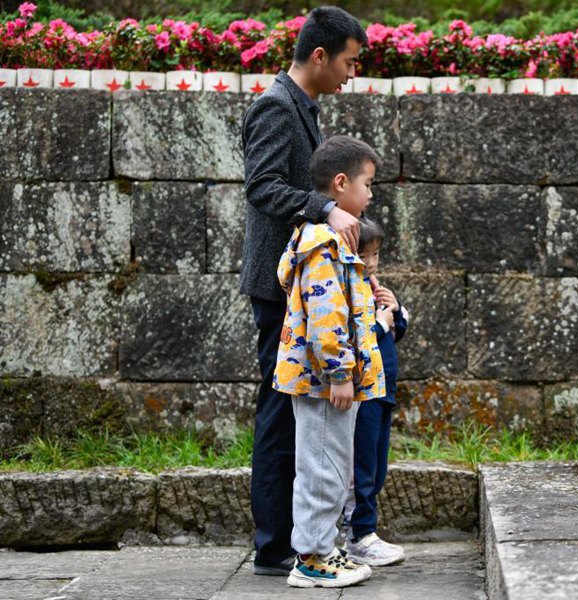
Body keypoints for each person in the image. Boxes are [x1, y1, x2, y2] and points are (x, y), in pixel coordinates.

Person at [239, 6, 366, 577]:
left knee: (293, 412)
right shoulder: (274, 106)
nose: (352, 73)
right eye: (349, 61)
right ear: (320, 56)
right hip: (280, 284)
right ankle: (274, 547)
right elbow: (262, 187)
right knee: (279, 412)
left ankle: (297, 540)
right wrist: (326, 207)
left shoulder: (303, 107)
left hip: (302, 288)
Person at [275, 135, 385, 588]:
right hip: (325, 381)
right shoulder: (323, 243)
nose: (372, 193)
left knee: (331, 466)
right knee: (322, 468)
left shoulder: (329, 241)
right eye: (368, 183)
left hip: (331, 382)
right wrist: (340, 372)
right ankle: (312, 559)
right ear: (341, 184)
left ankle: (324, 548)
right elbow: (326, 315)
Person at [342, 217, 409, 566]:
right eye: (363, 255)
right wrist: (381, 322)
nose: (370, 263)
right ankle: (358, 533)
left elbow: (397, 330)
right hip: (364, 392)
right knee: (361, 466)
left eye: (376, 255)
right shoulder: (349, 289)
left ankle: (364, 531)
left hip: (384, 390)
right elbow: (360, 337)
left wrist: (394, 309)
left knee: (377, 464)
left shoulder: (373, 287)